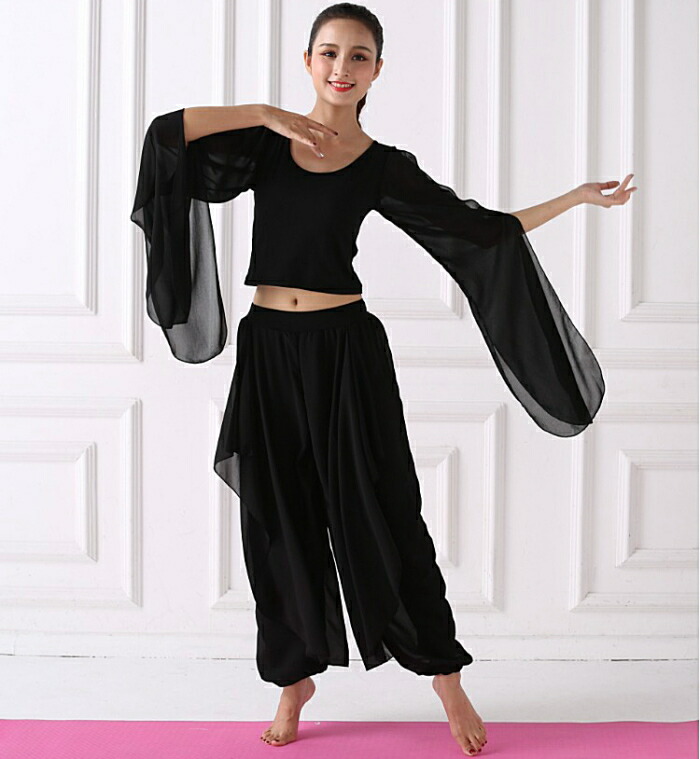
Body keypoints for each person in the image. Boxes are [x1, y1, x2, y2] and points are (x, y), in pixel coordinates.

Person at [130, 4, 635, 755]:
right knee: (276, 515)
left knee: (387, 508)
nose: (342, 67)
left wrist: (576, 198)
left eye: (358, 56)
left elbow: (481, 231)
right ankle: (293, 679)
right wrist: (264, 113)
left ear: (376, 71)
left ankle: (446, 676)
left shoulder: (382, 165)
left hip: (346, 352)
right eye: (329, 53)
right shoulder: (265, 144)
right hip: (268, 349)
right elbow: (166, 136)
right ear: (308, 61)